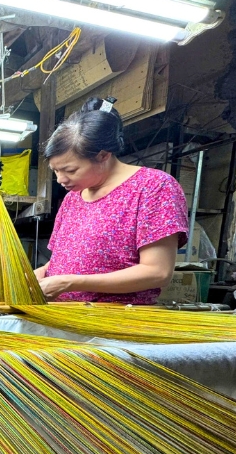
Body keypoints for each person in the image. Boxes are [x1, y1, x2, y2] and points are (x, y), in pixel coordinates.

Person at [34, 97, 189, 304]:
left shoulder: (153, 187)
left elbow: (158, 272)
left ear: (103, 156)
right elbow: (64, 260)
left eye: (70, 170)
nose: (61, 179)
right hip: (62, 313)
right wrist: (44, 272)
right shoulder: (72, 198)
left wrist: (71, 283)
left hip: (116, 317)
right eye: (55, 171)